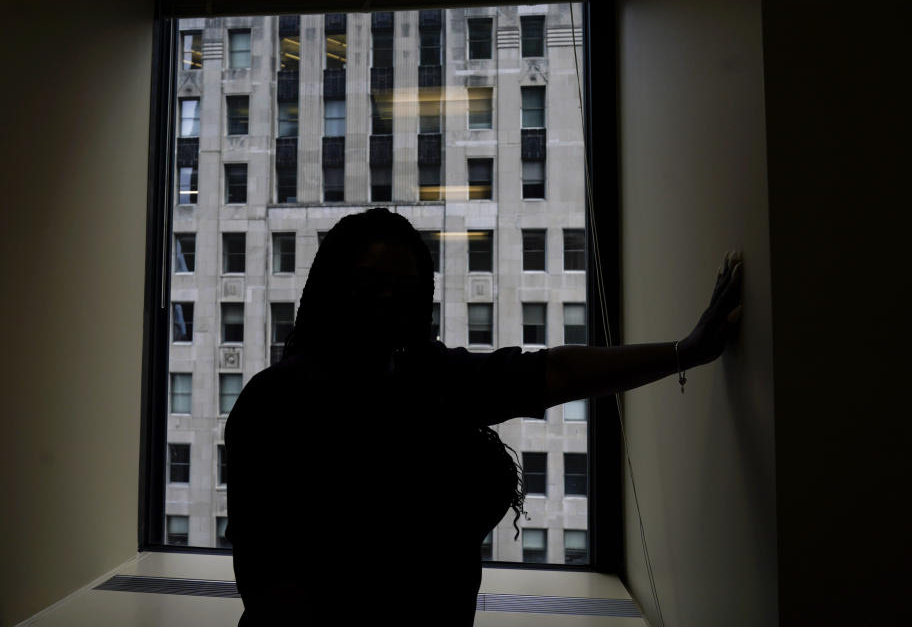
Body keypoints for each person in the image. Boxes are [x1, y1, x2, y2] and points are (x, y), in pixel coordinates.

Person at [224, 207, 743, 626]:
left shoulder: (429, 376)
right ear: (333, 287)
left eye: (404, 287)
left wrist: (686, 351)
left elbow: (554, 371)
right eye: (370, 281)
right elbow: (272, 585)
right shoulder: (277, 402)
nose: (387, 298)